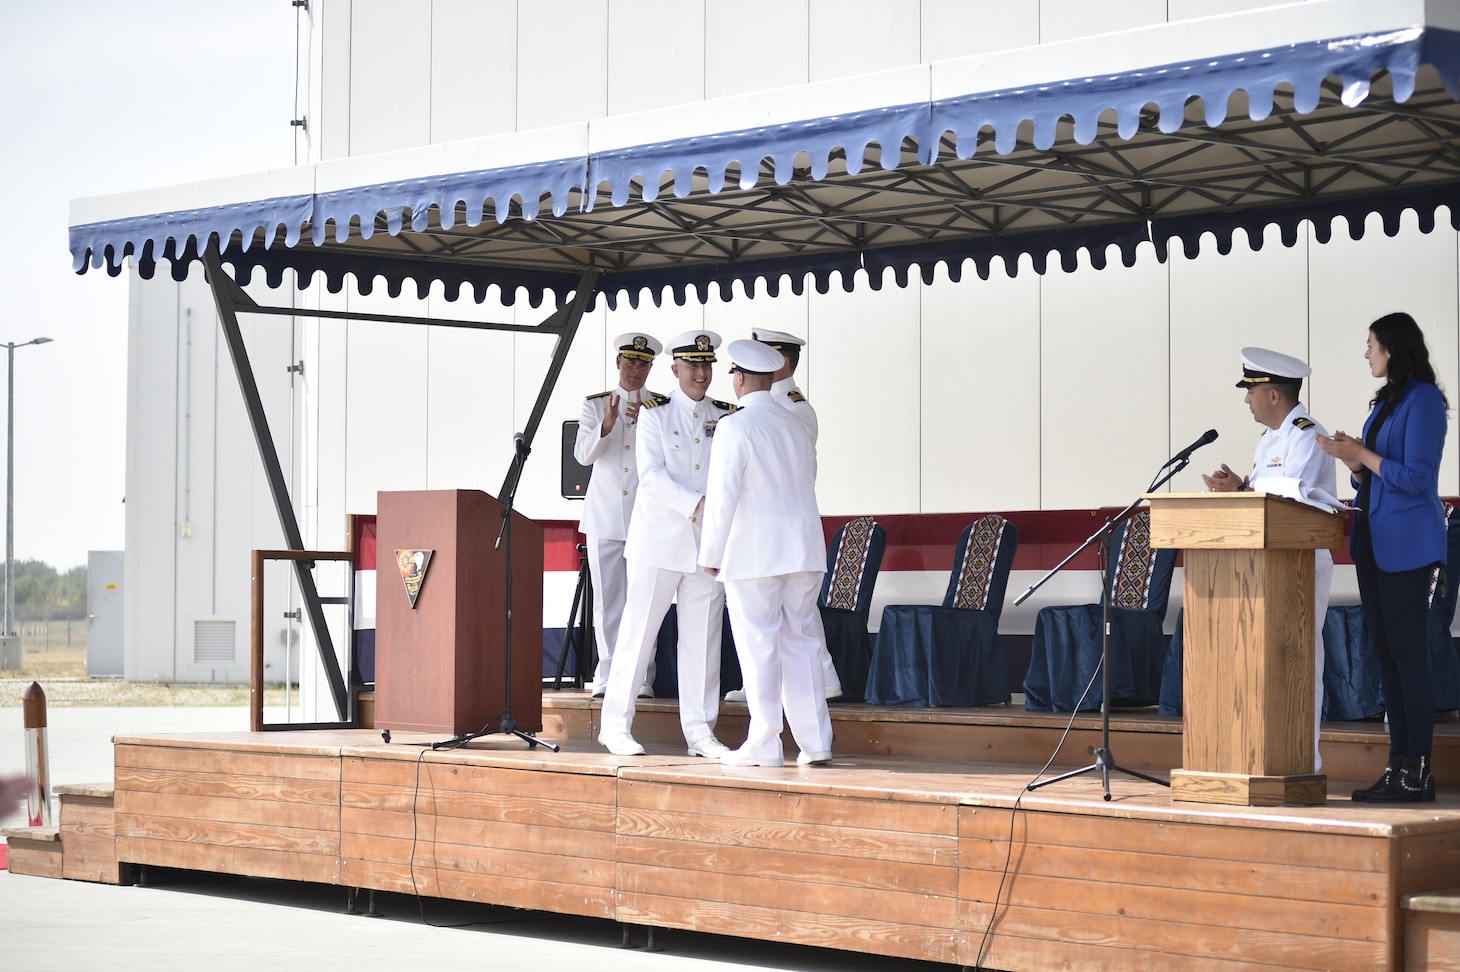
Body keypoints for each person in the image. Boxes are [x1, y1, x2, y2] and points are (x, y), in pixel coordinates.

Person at [1318, 312, 1448, 803]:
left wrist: (1363, 455)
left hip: (1409, 545)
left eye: (1371, 345)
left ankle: (1419, 770)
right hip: (1372, 537)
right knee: (1388, 657)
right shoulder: (1387, 402)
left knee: (1409, 657)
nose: (1366, 353)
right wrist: (1352, 460)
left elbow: (1418, 479)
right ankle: (1398, 766)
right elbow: (1372, 476)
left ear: (1393, 348)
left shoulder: (1425, 401)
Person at [597, 330, 735, 758]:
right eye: (692, 365)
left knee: (702, 643)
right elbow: (652, 477)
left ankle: (700, 732)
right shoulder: (654, 414)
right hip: (658, 543)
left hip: (706, 547)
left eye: (706, 364)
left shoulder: (729, 416)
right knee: (636, 638)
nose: (701, 373)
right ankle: (615, 726)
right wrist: (699, 504)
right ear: (675, 370)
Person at [700, 339, 835, 767]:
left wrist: (711, 550)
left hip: (754, 553)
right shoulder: (795, 421)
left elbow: (723, 496)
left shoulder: (734, 426)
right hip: (803, 548)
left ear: (739, 379)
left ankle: (765, 741)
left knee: (760, 645)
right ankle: (815, 743)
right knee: (802, 643)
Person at [1201, 347, 1337, 771]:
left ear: (1273, 394)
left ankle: (1301, 762)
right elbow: (1264, 500)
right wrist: (1240, 488)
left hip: (1297, 565)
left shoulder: (1307, 435)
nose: (1246, 400)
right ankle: (1258, 755)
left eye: (1250, 391)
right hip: (1260, 566)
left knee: (1297, 663)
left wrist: (1243, 495)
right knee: (1259, 662)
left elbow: (1292, 504)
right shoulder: (1269, 441)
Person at [720, 328, 842, 703]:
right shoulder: (778, 404)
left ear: (779, 362)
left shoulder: (792, 406)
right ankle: (817, 681)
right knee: (791, 619)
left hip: (774, 529)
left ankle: (813, 682)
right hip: (785, 532)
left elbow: (798, 473)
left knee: (787, 620)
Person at [574, 332, 665, 700]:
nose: (636, 369)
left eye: (643, 363)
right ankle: (609, 673)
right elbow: (583, 455)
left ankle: (642, 676)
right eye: (630, 361)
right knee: (609, 602)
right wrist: (607, 425)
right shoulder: (596, 405)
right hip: (605, 517)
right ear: (618, 363)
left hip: (647, 519)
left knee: (643, 601)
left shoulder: (661, 406)